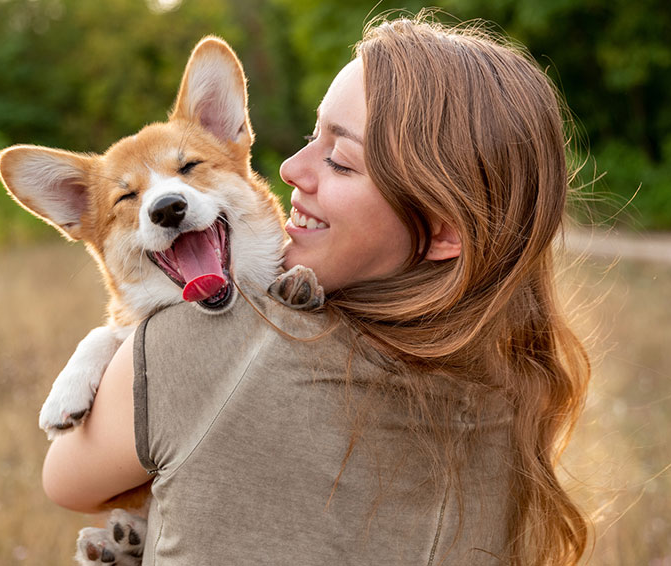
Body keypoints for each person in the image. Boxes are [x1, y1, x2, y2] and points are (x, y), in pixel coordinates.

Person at [42, 15, 591, 566]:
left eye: (341, 160)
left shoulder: (195, 347)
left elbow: (64, 482)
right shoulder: (515, 393)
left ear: (444, 229)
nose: (286, 168)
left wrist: (114, 349)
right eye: (312, 135)